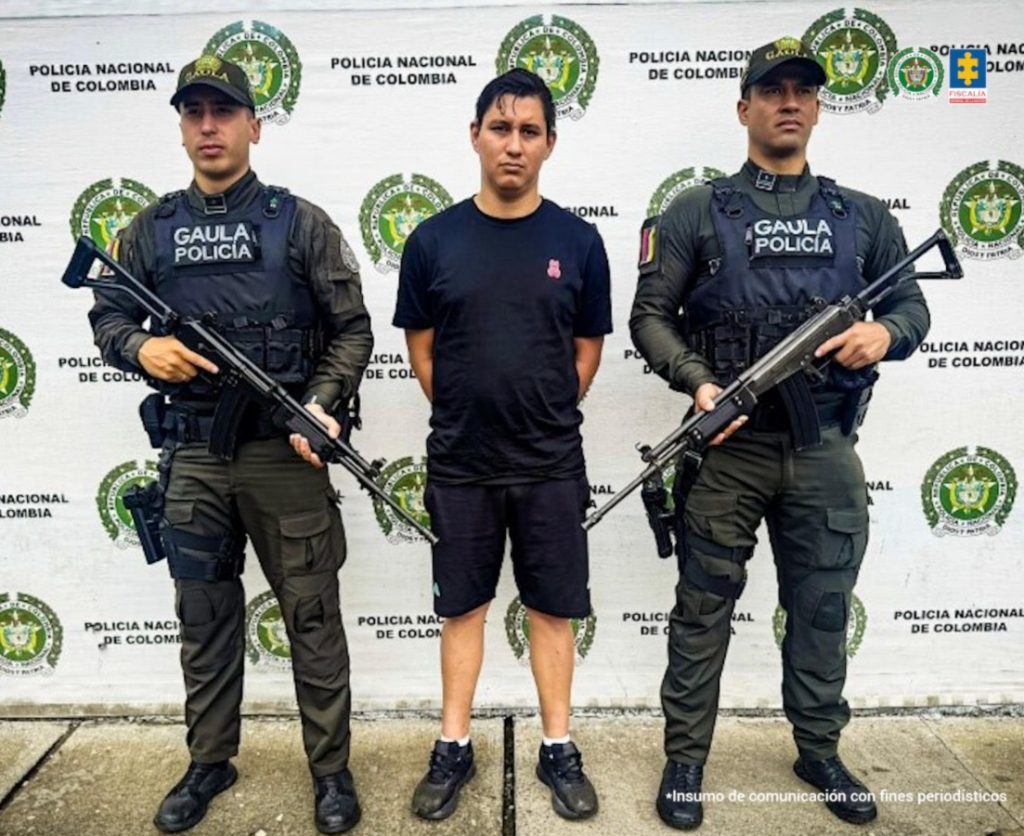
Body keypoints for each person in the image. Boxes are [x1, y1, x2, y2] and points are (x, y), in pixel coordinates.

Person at [629, 38, 930, 830]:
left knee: (823, 606)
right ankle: (686, 761)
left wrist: (885, 337)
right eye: (772, 91)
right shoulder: (697, 211)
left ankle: (820, 749)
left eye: (803, 90)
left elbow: (912, 308)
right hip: (729, 451)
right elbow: (650, 316)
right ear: (744, 109)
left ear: (820, 106)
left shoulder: (861, 217)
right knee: (702, 609)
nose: (788, 101)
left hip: (826, 448)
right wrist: (699, 382)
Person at [89, 54, 372, 834]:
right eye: (194, 113)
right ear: (182, 127)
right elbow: (106, 314)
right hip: (194, 459)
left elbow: (351, 329)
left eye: (223, 112)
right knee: (204, 616)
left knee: (312, 616)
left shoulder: (299, 222)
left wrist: (320, 402)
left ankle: (332, 772)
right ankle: (209, 761)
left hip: (285, 458)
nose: (209, 126)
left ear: (253, 124)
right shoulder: (150, 230)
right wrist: (138, 350)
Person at [392, 68, 612, 823]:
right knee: (464, 610)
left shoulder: (579, 242)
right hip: (461, 465)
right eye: (499, 128)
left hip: (551, 463)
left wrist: (543, 410)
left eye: (529, 132)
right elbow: (424, 353)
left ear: (550, 142)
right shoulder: (432, 241)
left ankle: (558, 746)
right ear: (475, 135)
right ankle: (453, 745)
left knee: (553, 610)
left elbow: (587, 348)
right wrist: (467, 412)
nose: (512, 145)